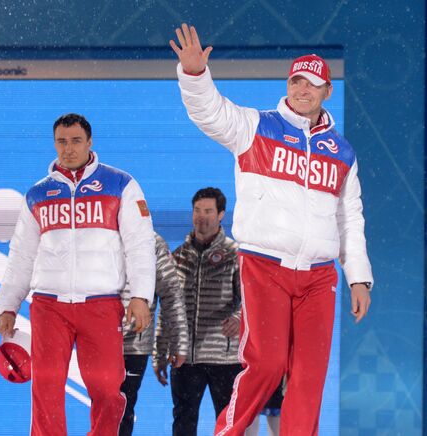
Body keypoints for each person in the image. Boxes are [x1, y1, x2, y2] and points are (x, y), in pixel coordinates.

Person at [169, 24, 373, 436]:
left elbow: (349, 217)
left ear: (326, 92)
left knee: (309, 376)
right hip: (265, 265)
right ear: (288, 84)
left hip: (318, 276)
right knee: (266, 363)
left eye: (313, 84)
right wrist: (194, 75)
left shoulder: (342, 152)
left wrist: (359, 277)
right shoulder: (255, 127)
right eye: (297, 81)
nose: (303, 90)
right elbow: (209, 112)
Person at [0, 113, 156, 436]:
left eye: (76, 141)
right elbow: (21, 255)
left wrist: (141, 296)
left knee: (107, 387)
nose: (68, 149)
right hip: (49, 305)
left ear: (90, 142)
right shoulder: (37, 194)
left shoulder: (121, 184)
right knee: (47, 387)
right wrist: (7, 304)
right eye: (62, 142)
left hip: (101, 303)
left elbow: (140, 244)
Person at [153, 187, 242, 436]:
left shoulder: (235, 255)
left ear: (221, 214)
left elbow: (250, 301)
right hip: (184, 358)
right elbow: (167, 307)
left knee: (229, 423)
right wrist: (160, 350)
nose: (201, 217)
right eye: (197, 211)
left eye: (208, 211)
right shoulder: (178, 257)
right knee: (182, 420)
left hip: (224, 358)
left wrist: (238, 318)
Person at [119, 232, 189, 436]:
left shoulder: (152, 241)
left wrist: (179, 341)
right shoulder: (95, 232)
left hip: (133, 343)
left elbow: (171, 293)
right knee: (102, 405)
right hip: (96, 338)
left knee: (124, 406)